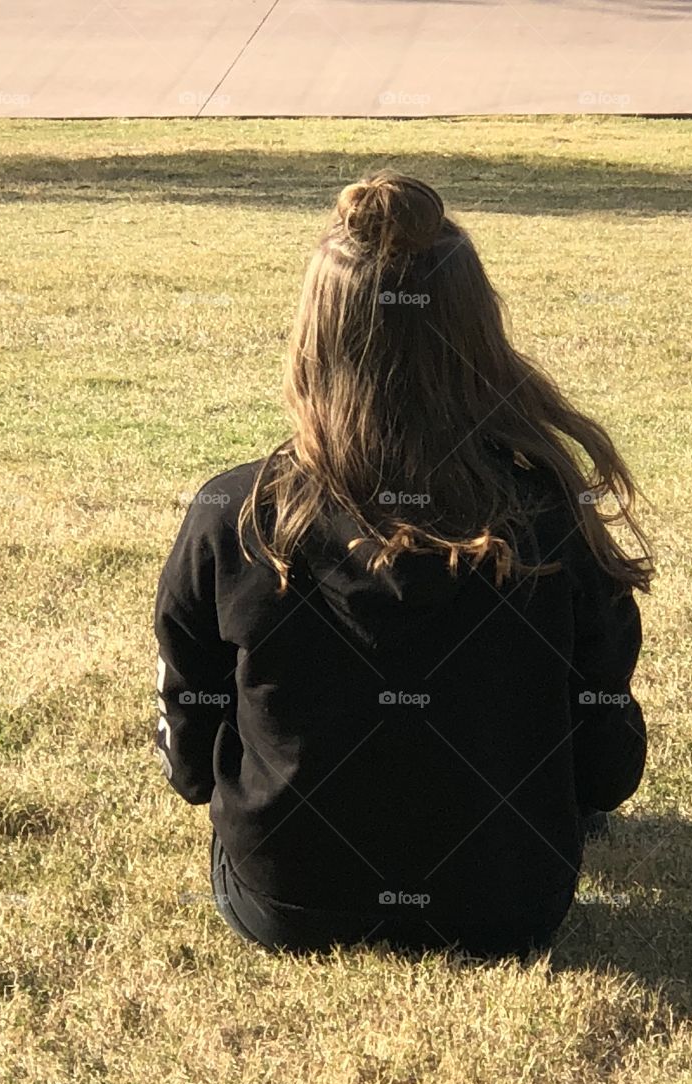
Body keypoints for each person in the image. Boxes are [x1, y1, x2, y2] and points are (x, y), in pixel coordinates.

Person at [153, 172, 652, 960]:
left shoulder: (235, 513)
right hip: (510, 911)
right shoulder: (553, 514)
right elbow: (607, 765)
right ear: (480, 331)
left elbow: (188, 749)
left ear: (312, 339)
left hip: (285, 902)